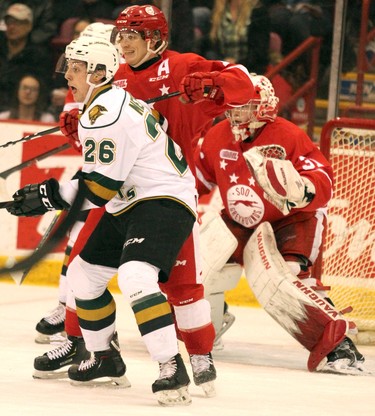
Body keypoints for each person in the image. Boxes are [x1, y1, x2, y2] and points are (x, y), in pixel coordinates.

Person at [31, 3, 255, 395]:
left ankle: (197, 355)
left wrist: (207, 82)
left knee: (182, 286)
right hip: (120, 193)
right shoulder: (113, 74)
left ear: (155, 38)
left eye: (132, 35)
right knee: (83, 267)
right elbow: (101, 140)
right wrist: (76, 124)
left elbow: (243, 85)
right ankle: (83, 344)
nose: (124, 43)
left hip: (164, 191)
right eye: (121, 35)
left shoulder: (183, 64)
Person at [6, 35, 201, 406]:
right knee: (83, 275)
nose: (67, 77)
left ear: (98, 72)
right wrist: (45, 196)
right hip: (131, 201)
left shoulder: (105, 113)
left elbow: (97, 190)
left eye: (75, 69)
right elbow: (99, 180)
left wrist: (45, 197)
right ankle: (105, 358)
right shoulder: (102, 106)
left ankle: (171, 366)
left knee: (135, 275)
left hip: (163, 198)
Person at [194, 73, 366, 375]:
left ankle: (340, 344)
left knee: (289, 275)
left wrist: (302, 189)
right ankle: (210, 322)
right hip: (241, 219)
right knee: (202, 264)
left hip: (293, 219)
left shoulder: (289, 135)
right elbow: (195, 180)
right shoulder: (216, 135)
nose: (235, 113)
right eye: (232, 106)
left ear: (264, 106)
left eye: (244, 106)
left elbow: (323, 179)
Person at [0, 3, 54, 111]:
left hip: (22, 109)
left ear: (29, 26)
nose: (12, 27)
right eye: (9, 22)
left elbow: (43, 89)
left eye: (18, 23)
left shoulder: (39, 56)